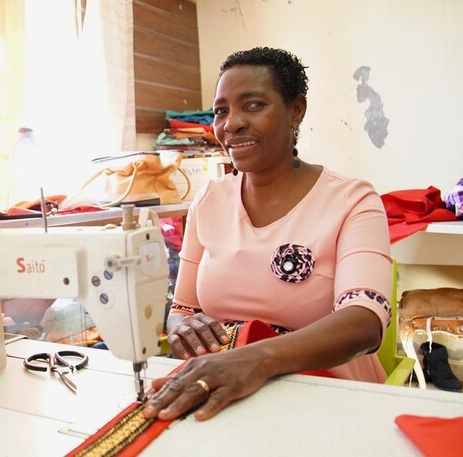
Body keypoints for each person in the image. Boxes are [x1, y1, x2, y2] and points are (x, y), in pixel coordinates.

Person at [142, 47, 392, 422]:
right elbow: (182, 310)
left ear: (296, 110)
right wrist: (184, 328)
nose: (232, 124)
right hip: (226, 393)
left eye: (254, 105)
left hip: (330, 397)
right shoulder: (209, 200)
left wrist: (254, 361)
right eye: (221, 110)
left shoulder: (352, 200)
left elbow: (365, 322)